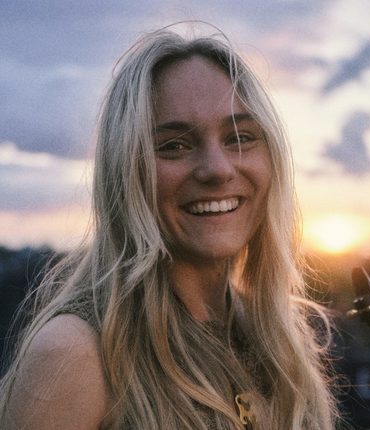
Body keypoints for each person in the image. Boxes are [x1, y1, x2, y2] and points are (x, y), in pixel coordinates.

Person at [0, 25, 338, 429]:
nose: (217, 169)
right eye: (173, 145)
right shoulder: (75, 354)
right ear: (125, 171)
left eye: (240, 137)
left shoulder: (275, 339)